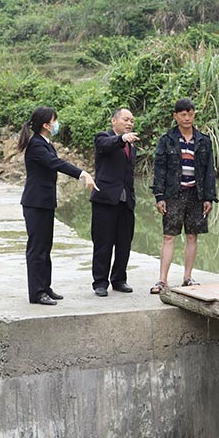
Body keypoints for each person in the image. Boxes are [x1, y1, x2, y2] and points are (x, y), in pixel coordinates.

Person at [19, 106, 97, 305]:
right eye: (55, 120)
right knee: (37, 248)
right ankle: (37, 293)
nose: (56, 124)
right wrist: (82, 173)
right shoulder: (36, 145)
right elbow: (57, 164)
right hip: (35, 203)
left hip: (44, 202)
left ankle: (45, 287)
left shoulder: (45, 143)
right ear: (46, 125)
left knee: (45, 246)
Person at [150, 98, 218, 293]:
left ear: (194, 114)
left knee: (192, 236)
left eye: (190, 113)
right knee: (169, 236)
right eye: (182, 114)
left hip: (195, 194)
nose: (187, 117)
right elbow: (160, 169)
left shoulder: (203, 140)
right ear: (175, 116)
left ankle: (187, 278)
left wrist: (208, 197)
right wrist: (159, 196)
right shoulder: (167, 140)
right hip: (173, 194)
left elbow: (209, 171)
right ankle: (162, 280)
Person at [90, 108, 139, 297]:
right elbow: (106, 145)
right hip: (105, 200)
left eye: (132, 121)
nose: (129, 123)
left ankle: (119, 279)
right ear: (114, 121)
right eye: (126, 119)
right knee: (103, 243)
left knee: (124, 243)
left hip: (126, 201)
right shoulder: (103, 138)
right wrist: (122, 139)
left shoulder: (131, 145)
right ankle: (100, 282)